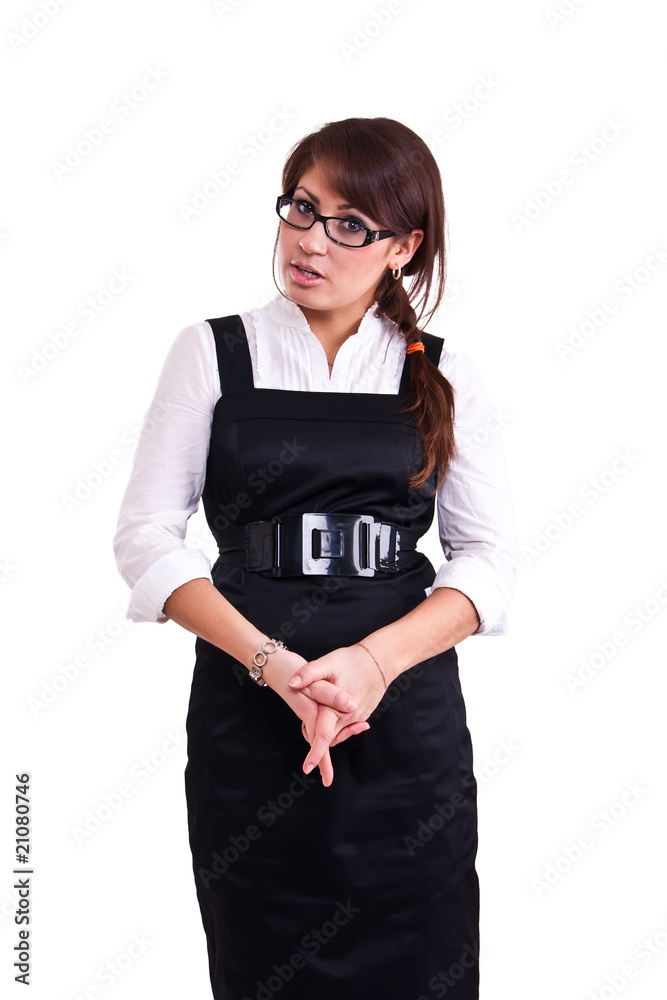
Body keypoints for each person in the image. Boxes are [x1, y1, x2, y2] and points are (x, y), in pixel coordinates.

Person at [113, 116, 518, 1000]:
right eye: (300, 208)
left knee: (422, 953)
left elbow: (487, 561)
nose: (309, 241)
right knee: (262, 955)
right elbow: (145, 537)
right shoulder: (211, 352)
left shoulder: (443, 373)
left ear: (404, 247)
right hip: (249, 706)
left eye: (349, 225)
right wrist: (274, 666)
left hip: (401, 719)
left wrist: (372, 664)